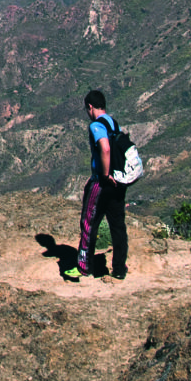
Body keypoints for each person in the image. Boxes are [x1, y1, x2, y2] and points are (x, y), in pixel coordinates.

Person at [65, 89, 128, 282]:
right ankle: (119, 268)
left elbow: (105, 147)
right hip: (119, 182)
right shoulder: (112, 123)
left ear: (90, 107)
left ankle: (84, 267)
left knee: (88, 223)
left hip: (102, 182)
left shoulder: (96, 126)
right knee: (117, 225)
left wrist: (104, 174)